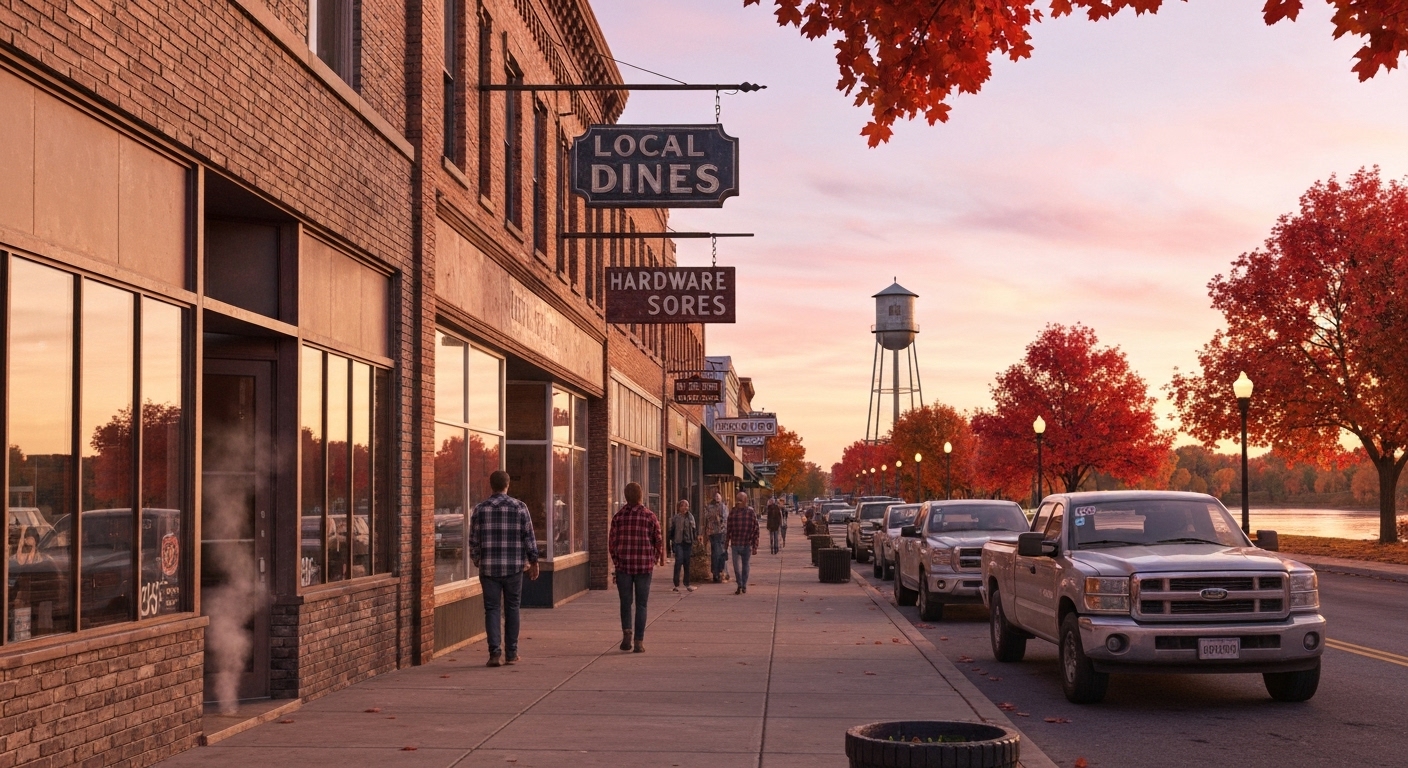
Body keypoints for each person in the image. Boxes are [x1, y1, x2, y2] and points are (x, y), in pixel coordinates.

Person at [469, 470, 540, 667]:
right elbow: (529, 537)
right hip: (513, 568)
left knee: (491, 609)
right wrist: (534, 561)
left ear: (491, 485)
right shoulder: (519, 508)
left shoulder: (480, 509)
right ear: (508, 485)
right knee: (512, 608)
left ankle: (494, 652)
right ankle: (511, 652)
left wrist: (478, 560)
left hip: (489, 568)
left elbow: (473, 541)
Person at [609, 482, 662, 652]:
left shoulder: (618, 517)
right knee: (642, 604)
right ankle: (639, 641)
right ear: (641, 495)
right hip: (644, 567)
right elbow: (658, 540)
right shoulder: (650, 516)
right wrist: (654, 558)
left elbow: (612, 544)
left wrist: (617, 562)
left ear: (625, 496)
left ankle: (627, 634)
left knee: (626, 602)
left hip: (624, 566)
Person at [726, 491, 759, 594]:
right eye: (737, 499)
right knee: (736, 567)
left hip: (746, 543)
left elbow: (756, 529)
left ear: (745, 500)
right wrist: (726, 543)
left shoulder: (751, 512)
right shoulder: (733, 512)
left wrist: (755, 546)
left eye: (741, 499)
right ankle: (739, 584)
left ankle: (743, 585)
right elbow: (729, 528)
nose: (738, 501)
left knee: (746, 566)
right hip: (735, 543)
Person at [669, 499, 699, 592]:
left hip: (688, 542)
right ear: (679, 507)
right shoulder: (676, 518)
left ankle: (687, 583)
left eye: (687, 505)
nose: (685, 507)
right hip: (678, 542)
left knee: (687, 563)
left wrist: (695, 540)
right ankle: (676, 584)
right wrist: (671, 542)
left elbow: (694, 530)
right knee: (678, 562)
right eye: (683, 505)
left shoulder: (690, 517)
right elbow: (672, 530)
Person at [702, 492, 729, 583]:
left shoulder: (723, 507)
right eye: (715, 496)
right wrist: (704, 534)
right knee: (716, 553)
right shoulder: (709, 507)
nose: (717, 497)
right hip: (712, 533)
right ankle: (717, 572)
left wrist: (720, 520)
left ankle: (719, 572)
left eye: (718, 496)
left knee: (720, 553)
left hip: (721, 532)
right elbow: (706, 518)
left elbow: (725, 519)